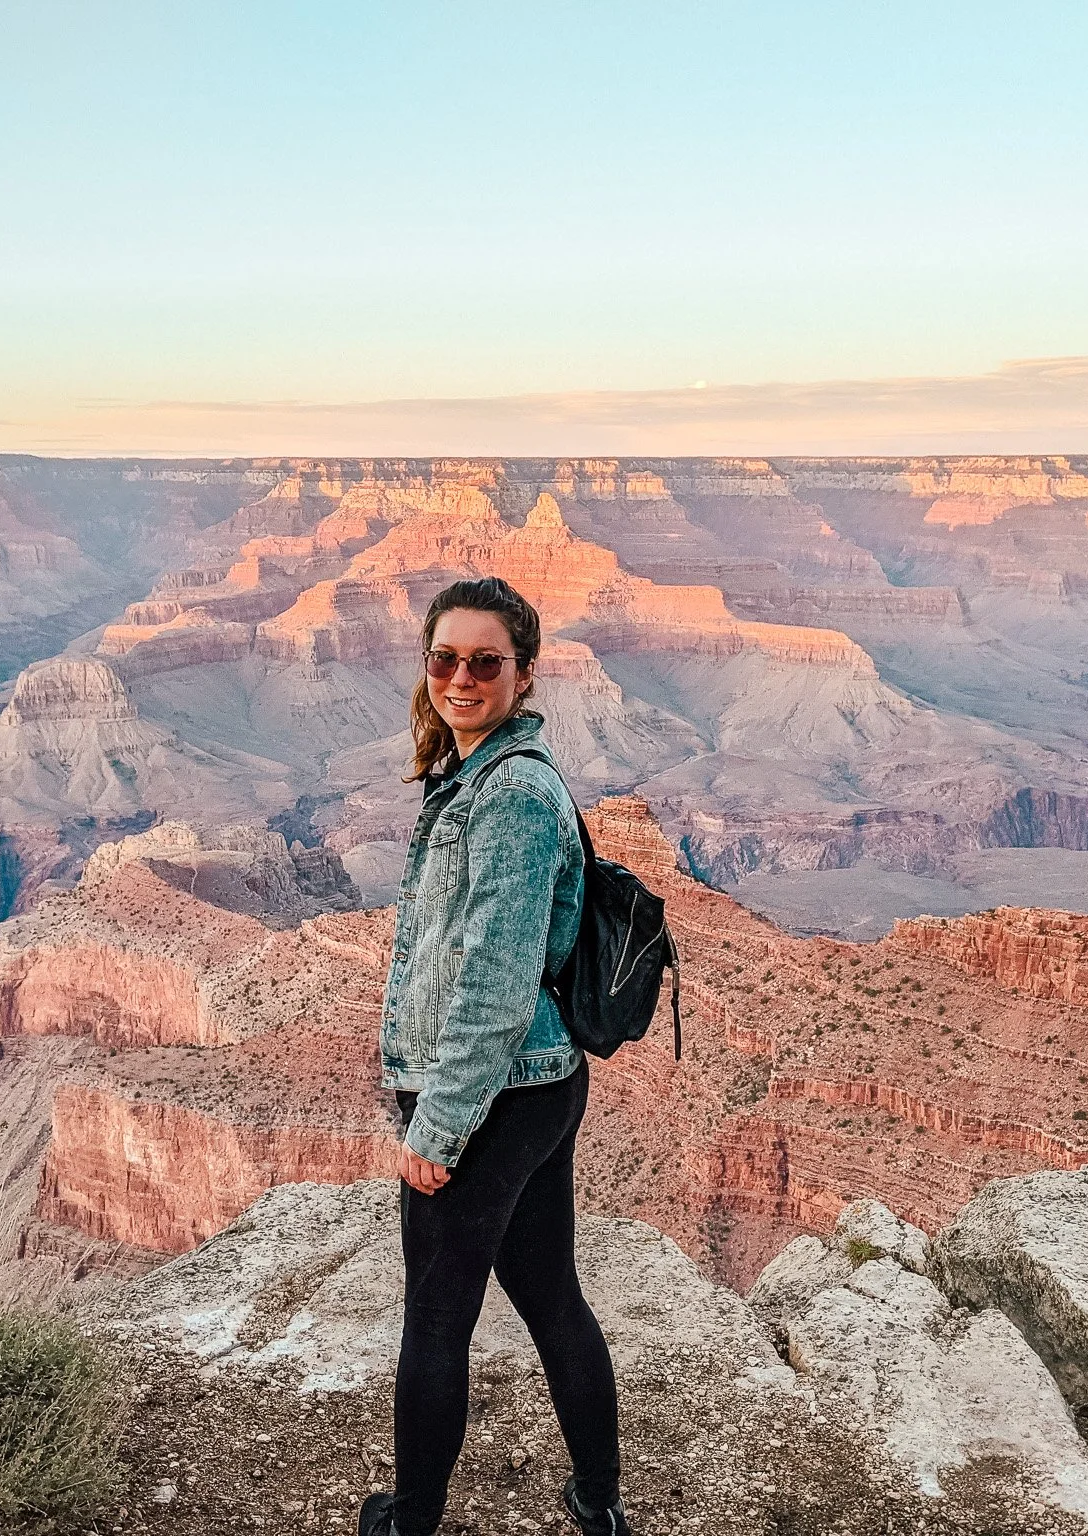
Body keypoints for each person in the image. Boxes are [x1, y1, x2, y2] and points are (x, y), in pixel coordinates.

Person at [359, 577, 630, 1536]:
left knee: (435, 1318)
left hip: (493, 1094)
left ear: (524, 674)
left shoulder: (510, 797)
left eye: (486, 662)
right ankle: (598, 1503)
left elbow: (495, 986)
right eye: (444, 658)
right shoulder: (483, 769)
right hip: (536, 1089)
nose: (461, 677)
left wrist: (437, 1127)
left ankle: (411, 1521)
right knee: (550, 1293)